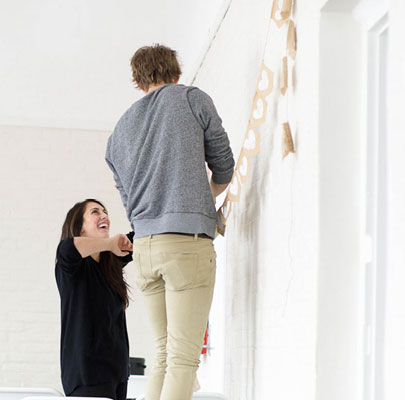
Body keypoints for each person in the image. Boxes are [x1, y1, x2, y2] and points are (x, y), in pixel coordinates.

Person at [105, 44, 235, 400]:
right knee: (183, 359)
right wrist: (205, 199)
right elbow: (224, 165)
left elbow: (129, 200)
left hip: (145, 249)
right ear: (176, 72)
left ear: (137, 81)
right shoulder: (192, 99)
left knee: (163, 354)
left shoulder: (119, 132)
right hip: (185, 245)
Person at [55, 199, 135, 399]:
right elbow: (69, 247)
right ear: (80, 227)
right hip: (87, 374)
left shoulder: (110, 265)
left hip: (118, 374)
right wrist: (111, 244)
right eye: (95, 212)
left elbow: (141, 236)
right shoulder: (70, 264)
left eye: (105, 211)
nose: (104, 215)